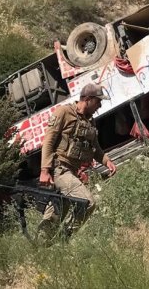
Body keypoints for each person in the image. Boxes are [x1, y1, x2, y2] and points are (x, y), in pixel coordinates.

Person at [38, 83, 117, 240]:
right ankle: (64, 238)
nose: (100, 105)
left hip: (71, 172)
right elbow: (48, 141)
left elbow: (95, 148)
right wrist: (44, 171)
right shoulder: (64, 112)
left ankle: (40, 249)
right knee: (87, 202)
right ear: (88, 99)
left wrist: (106, 161)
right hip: (59, 169)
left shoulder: (90, 122)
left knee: (55, 215)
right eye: (98, 101)